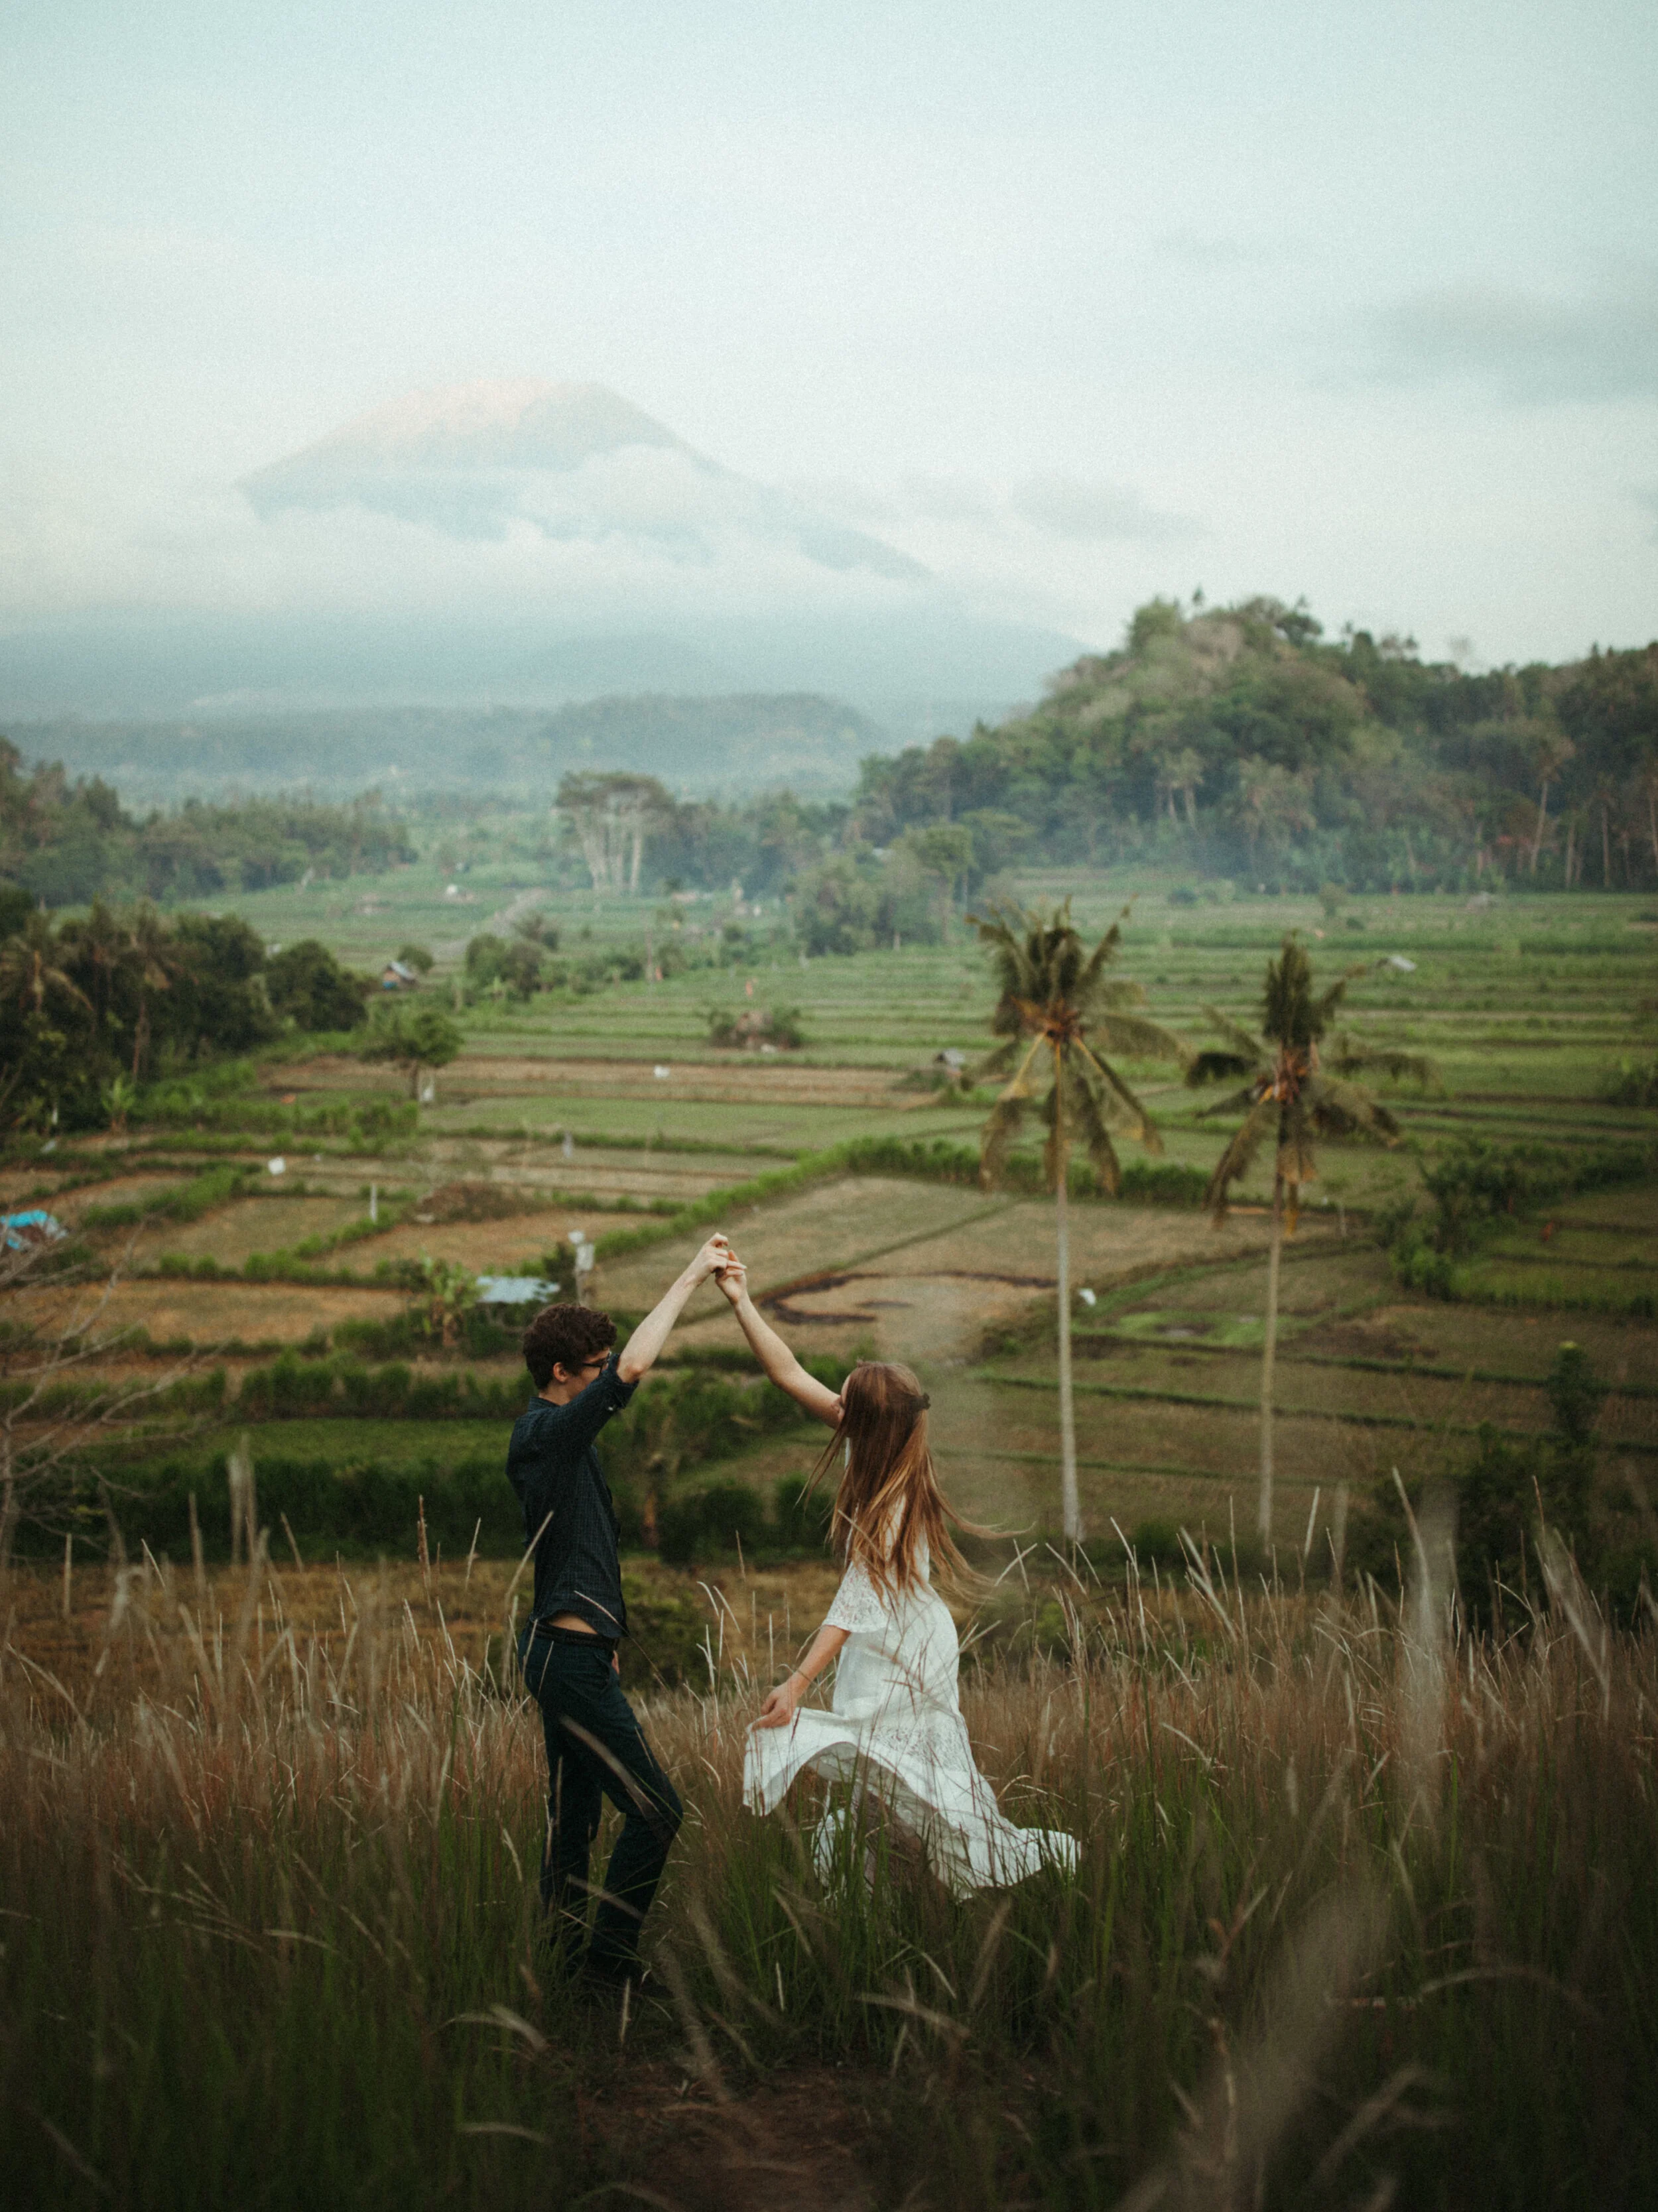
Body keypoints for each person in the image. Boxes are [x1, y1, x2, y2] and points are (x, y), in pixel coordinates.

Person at [714, 1256, 1078, 1894]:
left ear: (865, 1421)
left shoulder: (894, 1504)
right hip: (889, 1636)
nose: (838, 1396)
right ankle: (880, 1896)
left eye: (848, 1394)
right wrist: (741, 1300)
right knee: (879, 1780)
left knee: (902, 1779)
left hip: (902, 1645)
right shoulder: (875, 1443)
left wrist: (797, 1684)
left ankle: (918, 1889)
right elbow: (787, 1373)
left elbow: (855, 1603)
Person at [509, 1234, 731, 1987]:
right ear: (560, 1374)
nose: (607, 1375)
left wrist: (604, 1634)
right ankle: (606, 1969)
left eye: (603, 1363)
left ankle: (561, 1968)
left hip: (573, 1646)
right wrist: (692, 1272)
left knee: (574, 1822)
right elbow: (635, 1368)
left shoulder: (563, 1441)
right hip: (563, 1657)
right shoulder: (548, 1434)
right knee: (656, 1811)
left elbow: (582, 1545)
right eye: (593, 1368)